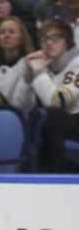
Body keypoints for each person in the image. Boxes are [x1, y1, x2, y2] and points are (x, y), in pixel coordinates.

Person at [14, 19, 79, 171]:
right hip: (57, 125)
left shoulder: (77, 64)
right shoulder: (44, 65)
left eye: (56, 38)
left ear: (68, 42)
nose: (49, 43)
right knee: (31, 117)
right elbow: (20, 105)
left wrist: (38, 72)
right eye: (44, 39)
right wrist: (28, 75)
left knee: (51, 114)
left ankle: (52, 173)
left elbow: (57, 101)